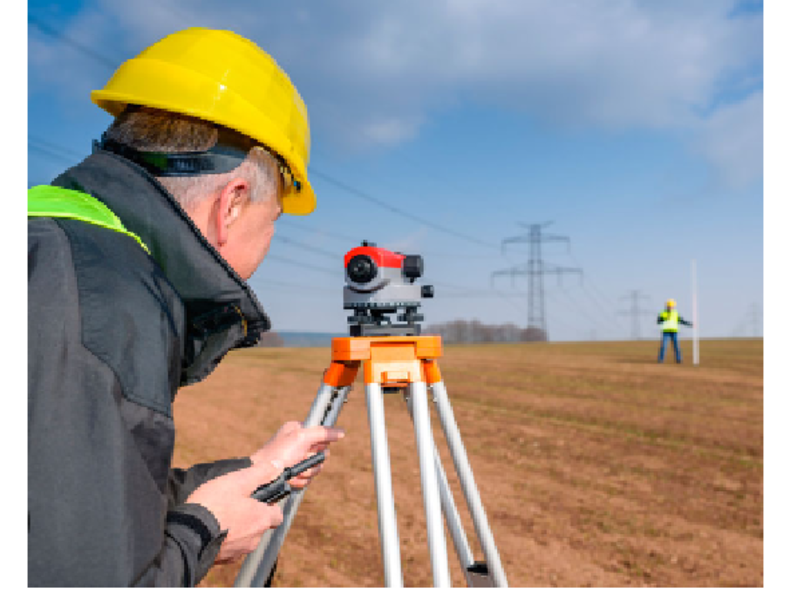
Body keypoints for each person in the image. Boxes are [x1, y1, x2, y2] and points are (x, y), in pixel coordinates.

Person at [28, 28, 343, 586]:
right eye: (274, 225)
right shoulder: (108, 305)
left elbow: (58, 497)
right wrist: (206, 532)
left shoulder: (47, 243)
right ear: (234, 204)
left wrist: (255, 472)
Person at [656, 299, 693, 363]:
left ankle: (678, 359)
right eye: (669, 306)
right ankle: (660, 359)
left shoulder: (676, 313)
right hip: (665, 332)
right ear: (667, 306)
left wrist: (689, 324)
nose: (670, 307)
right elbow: (658, 322)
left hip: (674, 332)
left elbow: (681, 321)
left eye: (671, 306)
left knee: (676, 346)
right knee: (664, 346)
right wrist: (663, 319)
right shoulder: (662, 313)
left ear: (673, 306)